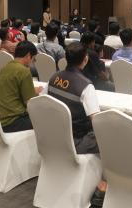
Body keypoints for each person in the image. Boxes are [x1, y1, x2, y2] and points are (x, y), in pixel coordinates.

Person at [46, 41, 107, 207]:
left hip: (53, 138)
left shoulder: (53, 78)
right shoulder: (86, 86)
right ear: (85, 59)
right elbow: (97, 122)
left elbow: (44, 102)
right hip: (76, 142)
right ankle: (103, 187)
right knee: (111, 139)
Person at [0, 41, 42, 132]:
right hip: (12, 121)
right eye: (34, 59)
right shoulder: (24, 71)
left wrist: (32, 90)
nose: (33, 62)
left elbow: (13, 90)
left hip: (0, 119)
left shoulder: (5, 67)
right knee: (45, 120)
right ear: (28, 55)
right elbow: (29, 102)